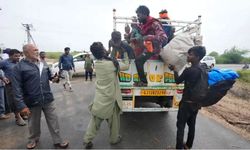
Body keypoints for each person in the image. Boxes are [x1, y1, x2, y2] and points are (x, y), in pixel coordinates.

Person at [12, 44, 69, 149]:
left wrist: (55, 79)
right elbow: (16, 88)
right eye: (35, 50)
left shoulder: (43, 63)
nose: (38, 52)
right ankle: (33, 139)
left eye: (37, 49)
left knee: (54, 120)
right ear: (26, 52)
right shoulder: (19, 67)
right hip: (32, 101)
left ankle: (58, 140)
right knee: (33, 123)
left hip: (47, 98)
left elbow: (50, 77)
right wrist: (21, 106)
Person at [83, 42, 123, 149]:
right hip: (111, 98)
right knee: (114, 122)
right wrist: (127, 54)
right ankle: (114, 139)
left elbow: (107, 57)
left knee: (95, 121)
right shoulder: (111, 64)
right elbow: (126, 66)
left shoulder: (97, 63)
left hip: (100, 99)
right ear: (103, 50)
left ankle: (87, 140)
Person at [169, 46, 206, 149]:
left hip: (186, 103)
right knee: (192, 125)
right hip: (196, 103)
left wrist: (174, 70)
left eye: (191, 55)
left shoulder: (189, 70)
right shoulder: (203, 68)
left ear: (197, 57)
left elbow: (177, 81)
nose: (188, 56)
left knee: (180, 126)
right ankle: (188, 146)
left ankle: (179, 148)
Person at [134, 5, 168, 87]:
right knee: (136, 57)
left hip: (155, 50)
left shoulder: (154, 23)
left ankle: (144, 82)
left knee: (138, 61)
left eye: (139, 15)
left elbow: (164, 38)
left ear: (145, 14)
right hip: (148, 49)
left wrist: (149, 37)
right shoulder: (144, 24)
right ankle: (142, 81)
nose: (138, 18)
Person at [0, 49, 26, 126]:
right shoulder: (4, 62)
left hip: (21, 84)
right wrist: (3, 78)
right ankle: (17, 117)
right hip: (11, 85)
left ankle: (22, 113)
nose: (18, 57)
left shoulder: (20, 62)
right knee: (13, 101)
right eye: (16, 56)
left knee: (22, 99)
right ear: (10, 56)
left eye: (19, 56)